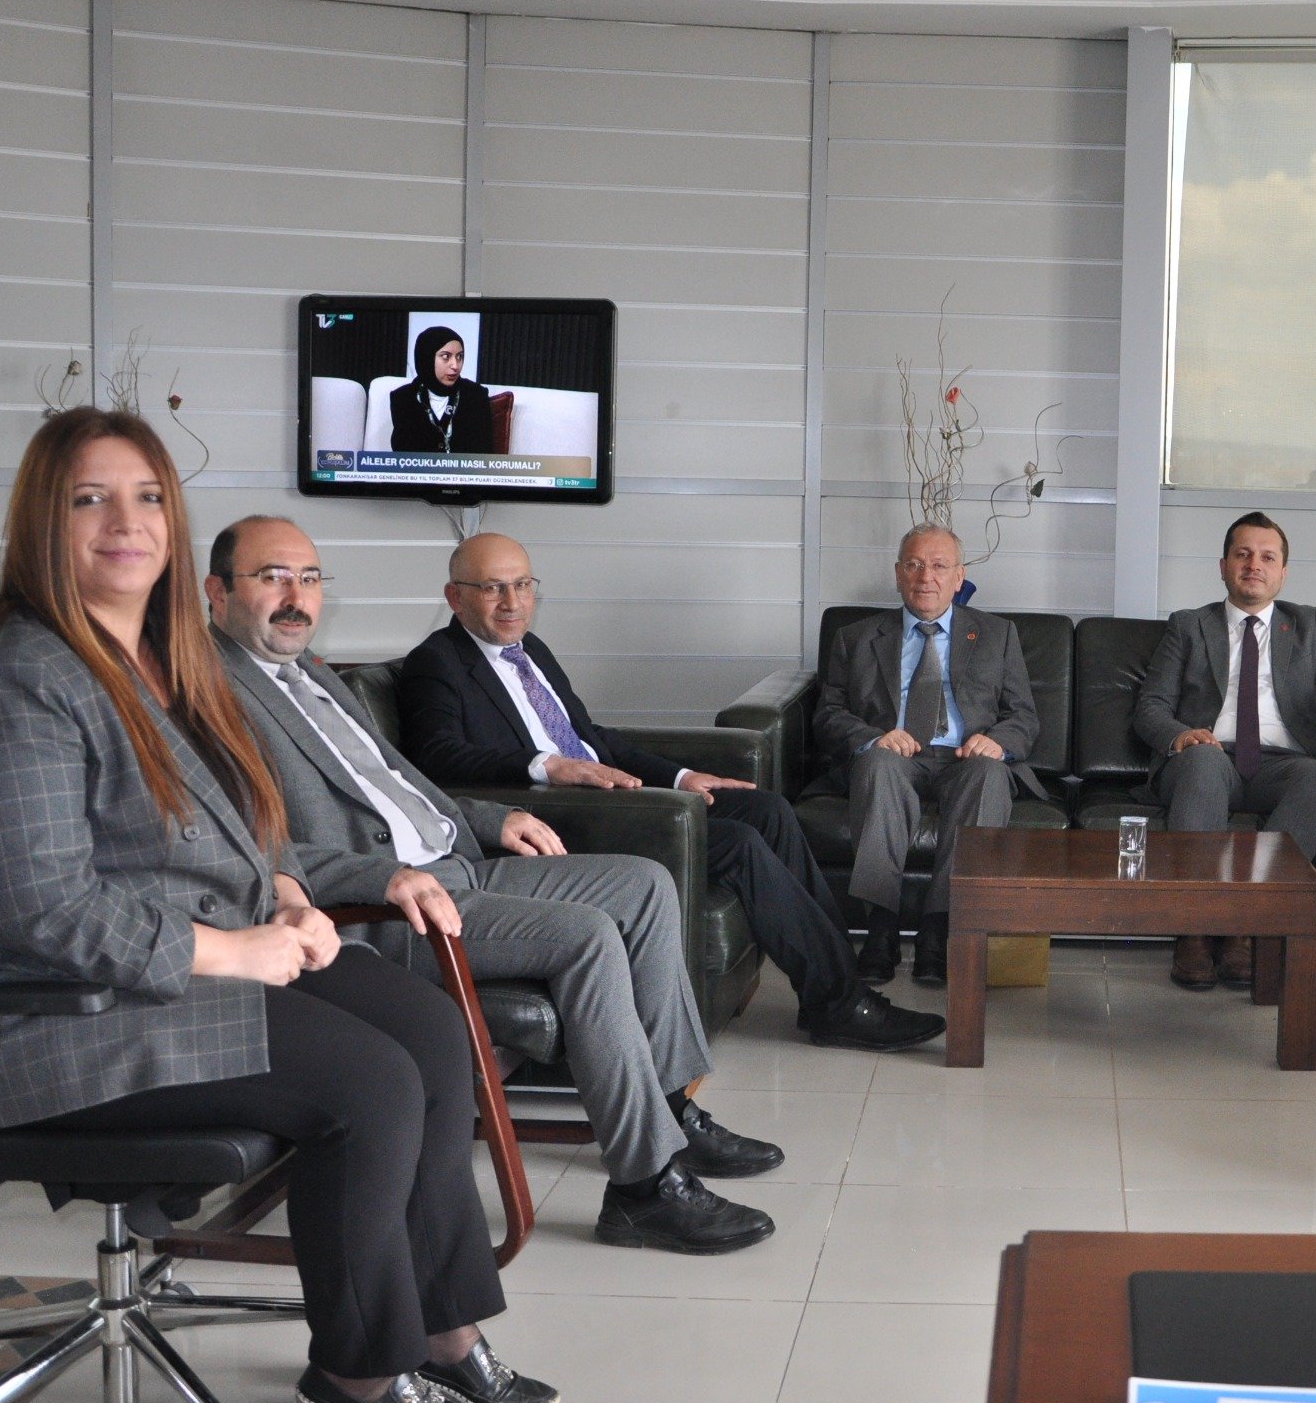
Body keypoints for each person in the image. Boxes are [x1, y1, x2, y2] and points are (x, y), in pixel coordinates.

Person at [0, 408, 559, 1403]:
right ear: (42, 522)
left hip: (165, 975)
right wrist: (233, 951)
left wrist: (287, 894)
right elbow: (41, 906)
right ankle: (358, 1364)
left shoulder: (157, 659)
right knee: (369, 1082)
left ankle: (444, 1327)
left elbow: (233, 831)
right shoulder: (18, 678)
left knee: (433, 1030)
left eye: (148, 497)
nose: (126, 522)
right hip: (35, 1018)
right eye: (89, 499)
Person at [206, 514, 785, 1256]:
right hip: (386, 907)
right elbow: (248, 844)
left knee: (644, 884)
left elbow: (400, 781)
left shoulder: (312, 674)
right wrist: (382, 874)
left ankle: (668, 1111)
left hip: (459, 863)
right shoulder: (206, 691)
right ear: (217, 592)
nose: (296, 597)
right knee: (586, 935)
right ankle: (644, 1189)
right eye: (273, 578)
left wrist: (490, 817)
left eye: (310, 579)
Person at [394, 533, 941, 1051]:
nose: (512, 602)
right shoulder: (435, 664)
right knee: (738, 844)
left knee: (768, 810)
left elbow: (594, 738)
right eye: (493, 588)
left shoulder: (529, 649)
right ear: (455, 597)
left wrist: (680, 777)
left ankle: (837, 979)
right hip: (557, 818)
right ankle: (840, 1004)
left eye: (522, 585)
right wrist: (546, 765)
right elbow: (438, 757)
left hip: (608, 795)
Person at [1131, 512, 1316, 990]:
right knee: (1203, 760)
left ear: (1282, 572)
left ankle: (1247, 925)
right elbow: (1150, 706)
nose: (1253, 564)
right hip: (1206, 759)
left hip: (1280, 766)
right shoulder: (1189, 626)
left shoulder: (1308, 625)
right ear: (1223, 566)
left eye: (1267, 557)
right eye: (1242, 554)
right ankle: (1194, 930)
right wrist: (1182, 736)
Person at [810, 524, 1042, 987]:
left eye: (939, 566)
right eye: (914, 565)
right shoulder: (855, 637)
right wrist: (873, 737)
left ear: (959, 577)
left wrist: (997, 741)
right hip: (895, 756)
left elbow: (1024, 716)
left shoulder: (997, 634)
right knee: (877, 764)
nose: (926, 577)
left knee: (989, 774)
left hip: (965, 758)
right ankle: (881, 929)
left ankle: (939, 930)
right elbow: (828, 714)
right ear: (898, 573)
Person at [388, 325, 495, 456]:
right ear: (427, 358)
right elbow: (403, 455)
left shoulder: (476, 395)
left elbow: (483, 454)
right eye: (446, 356)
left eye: (459, 356)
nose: (455, 365)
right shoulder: (403, 398)